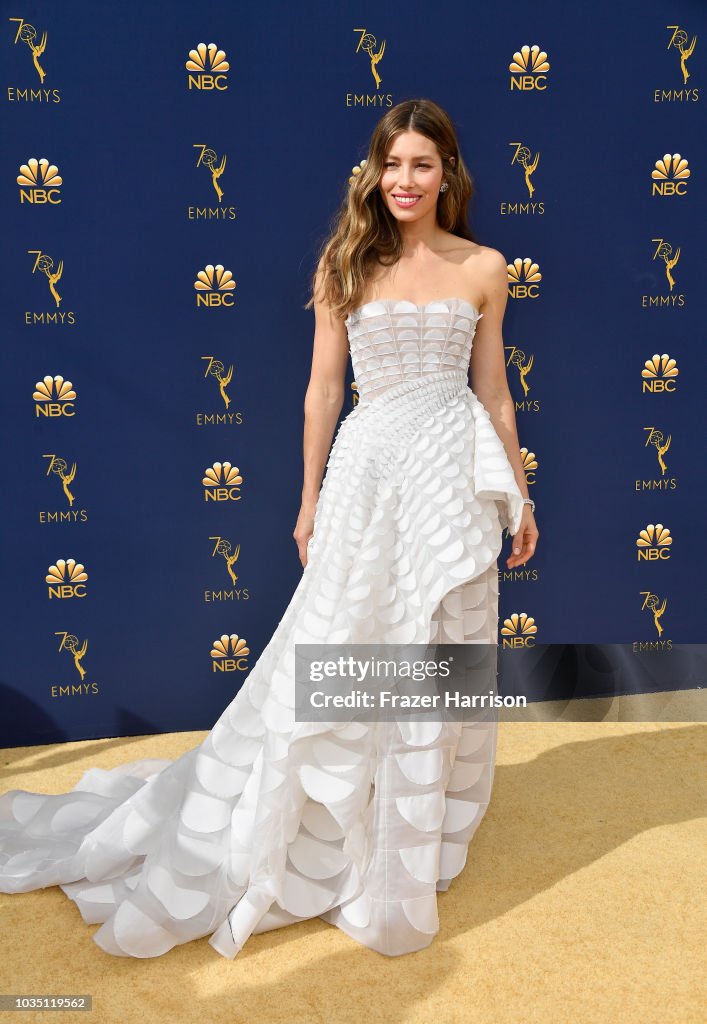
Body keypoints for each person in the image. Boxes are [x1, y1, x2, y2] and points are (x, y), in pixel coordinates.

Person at [0, 97, 539, 960]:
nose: (403, 180)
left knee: (444, 644)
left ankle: (417, 827)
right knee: (347, 639)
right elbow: (324, 391)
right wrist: (307, 499)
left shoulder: (484, 266)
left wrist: (519, 490)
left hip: (450, 475)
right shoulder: (345, 263)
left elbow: (495, 390)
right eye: (390, 164)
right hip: (368, 471)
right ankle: (335, 814)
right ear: (372, 172)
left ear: (448, 174)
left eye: (421, 165)